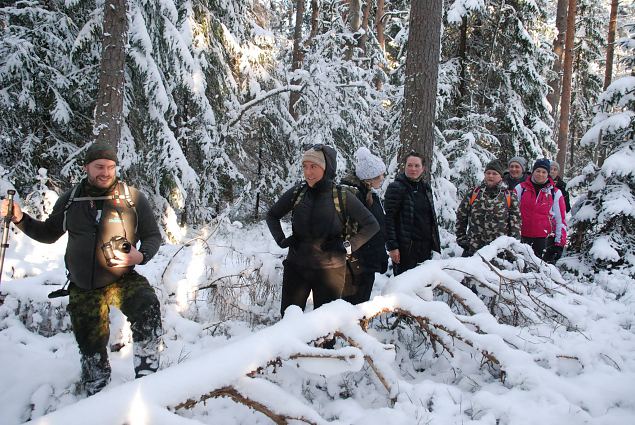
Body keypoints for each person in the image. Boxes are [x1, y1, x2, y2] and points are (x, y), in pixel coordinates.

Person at [0, 143, 162, 396]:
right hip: (83, 284)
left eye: (110, 167)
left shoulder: (132, 198)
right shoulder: (71, 200)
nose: (106, 172)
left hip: (121, 278)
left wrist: (141, 256)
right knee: (90, 342)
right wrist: (20, 218)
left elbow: (153, 236)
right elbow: (48, 234)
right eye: (99, 167)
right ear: (86, 167)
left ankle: (148, 374)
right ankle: (96, 389)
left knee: (147, 306)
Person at [266, 144, 379, 316]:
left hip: (331, 271)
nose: (308, 172)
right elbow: (272, 215)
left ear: (326, 168)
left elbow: (372, 225)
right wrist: (281, 240)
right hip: (296, 268)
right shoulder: (298, 192)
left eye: (313, 167)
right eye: (305, 166)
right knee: (289, 323)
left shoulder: (341, 195)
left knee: (326, 329)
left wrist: (347, 246)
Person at [340, 147, 388, 304]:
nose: (383, 177)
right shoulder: (355, 196)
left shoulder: (370, 195)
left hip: (366, 262)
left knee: (360, 303)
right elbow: (351, 232)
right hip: (356, 264)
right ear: (369, 178)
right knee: (353, 305)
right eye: (380, 174)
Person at [384, 151, 440, 275]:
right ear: (404, 166)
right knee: (405, 286)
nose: (413, 169)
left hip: (425, 247)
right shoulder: (396, 188)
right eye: (409, 165)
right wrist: (392, 247)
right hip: (405, 249)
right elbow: (389, 219)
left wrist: (435, 244)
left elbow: (430, 217)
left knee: (423, 285)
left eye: (416, 165)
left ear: (423, 168)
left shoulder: (425, 188)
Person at [456, 159, 521, 256]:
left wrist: (512, 245)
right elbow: (461, 217)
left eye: (494, 173)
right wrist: (462, 239)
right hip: (473, 249)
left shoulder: (509, 196)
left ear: (501, 177)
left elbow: (515, 224)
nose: (490, 176)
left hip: (498, 251)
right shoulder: (474, 193)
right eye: (488, 173)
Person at [515, 158, 567, 259]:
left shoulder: (555, 193)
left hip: (543, 238)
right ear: (533, 172)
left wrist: (559, 244)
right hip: (522, 235)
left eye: (544, 172)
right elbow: (512, 212)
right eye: (538, 171)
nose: (540, 174)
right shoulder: (521, 188)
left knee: (538, 270)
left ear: (548, 174)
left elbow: (560, 220)